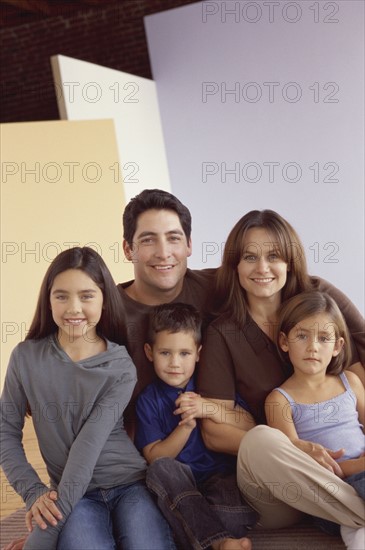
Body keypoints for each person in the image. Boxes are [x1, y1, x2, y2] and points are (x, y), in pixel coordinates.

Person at [197, 210, 365, 545]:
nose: (262, 268)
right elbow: (215, 432)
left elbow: (357, 371)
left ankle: (349, 514)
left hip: (344, 475)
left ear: (289, 262)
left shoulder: (317, 303)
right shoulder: (223, 332)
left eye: (273, 256)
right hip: (280, 486)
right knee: (261, 439)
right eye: (249, 257)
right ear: (235, 266)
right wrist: (295, 449)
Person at [0, 247, 176, 550]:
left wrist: (43, 536)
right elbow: (5, 431)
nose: (74, 308)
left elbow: (87, 445)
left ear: (105, 299)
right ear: (48, 299)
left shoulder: (120, 365)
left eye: (86, 295)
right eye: (61, 296)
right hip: (75, 494)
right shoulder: (25, 358)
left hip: (129, 484)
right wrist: (34, 494)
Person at [135, 303, 257, 550]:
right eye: (165, 353)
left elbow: (250, 425)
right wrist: (186, 427)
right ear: (149, 352)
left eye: (184, 354)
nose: (174, 363)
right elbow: (154, 457)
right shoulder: (149, 399)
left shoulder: (211, 383)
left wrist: (208, 408)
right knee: (160, 471)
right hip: (180, 484)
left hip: (221, 476)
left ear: (199, 353)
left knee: (233, 514)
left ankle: (205, 535)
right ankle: (220, 543)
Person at [264, 291, 364, 548]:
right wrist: (356, 466)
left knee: (358, 533)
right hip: (329, 490)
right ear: (284, 342)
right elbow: (296, 463)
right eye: (302, 336)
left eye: (323, 338)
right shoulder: (280, 400)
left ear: (338, 346)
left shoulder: (350, 382)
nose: (313, 346)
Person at [117, 188, 216, 433]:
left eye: (174, 238)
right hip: (140, 460)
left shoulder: (217, 288)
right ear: (129, 250)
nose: (163, 253)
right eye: (148, 240)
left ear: (189, 244)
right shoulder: (106, 310)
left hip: (217, 455)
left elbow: (297, 283)